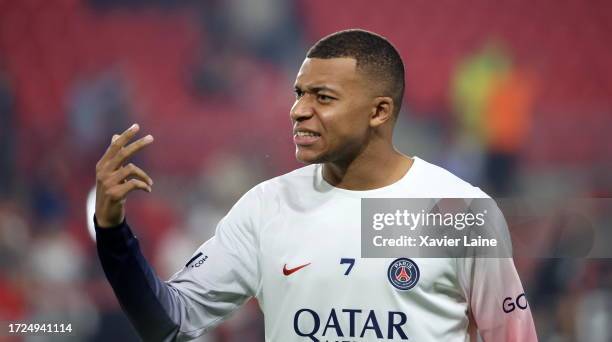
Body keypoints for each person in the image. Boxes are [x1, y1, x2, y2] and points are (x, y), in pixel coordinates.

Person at [94, 29, 537, 341]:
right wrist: (113, 232)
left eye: (322, 97)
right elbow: (168, 324)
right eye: (298, 94)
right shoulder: (267, 207)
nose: (298, 111)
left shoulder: (458, 211)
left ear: (379, 112)